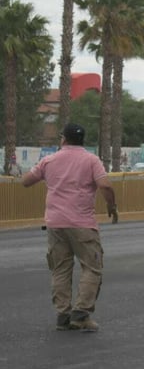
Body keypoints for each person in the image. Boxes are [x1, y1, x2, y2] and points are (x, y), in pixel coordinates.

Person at [21, 123, 118, 332]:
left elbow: (26, 181)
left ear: (63, 139)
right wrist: (112, 206)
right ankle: (81, 314)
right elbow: (106, 186)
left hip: (55, 224)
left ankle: (63, 316)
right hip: (82, 224)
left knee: (60, 269)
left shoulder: (49, 160)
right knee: (92, 267)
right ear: (82, 140)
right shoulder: (91, 160)